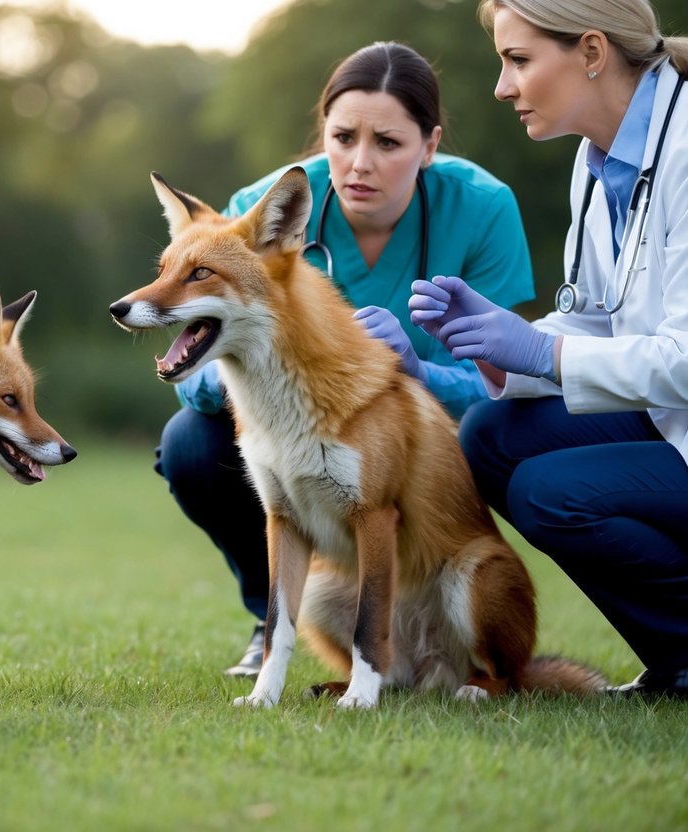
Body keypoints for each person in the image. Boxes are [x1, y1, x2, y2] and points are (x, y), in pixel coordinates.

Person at [154, 41, 536, 677]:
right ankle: (268, 614)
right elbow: (198, 348)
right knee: (191, 444)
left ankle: (449, 637)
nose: (360, 163)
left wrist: (415, 369)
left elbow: (506, 377)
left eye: (388, 143)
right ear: (322, 133)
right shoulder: (263, 211)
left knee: (487, 439)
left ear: (430, 144)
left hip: (435, 442)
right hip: (293, 432)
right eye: (342, 137)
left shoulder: (483, 207)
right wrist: (268, 371)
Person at [410, 0, 688, 699]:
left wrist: (540, 352)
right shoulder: (595, 164)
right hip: (667, 415)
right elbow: (599, 322)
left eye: (518, 60)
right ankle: (675, 660)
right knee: (490, 435)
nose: (502, 86)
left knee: (551, 493)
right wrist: (498, 346)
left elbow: (682, 357)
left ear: (591, 52)